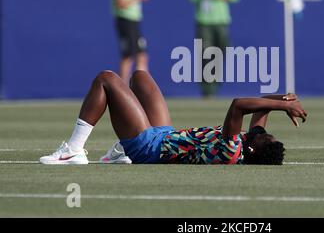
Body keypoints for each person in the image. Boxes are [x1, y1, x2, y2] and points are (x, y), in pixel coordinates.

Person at [39, 70, 307, 165]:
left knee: (106, 79)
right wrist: (286, 99)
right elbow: (262, 108)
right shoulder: (249, 142)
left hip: (148, 147)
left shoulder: (232, 149)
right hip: (165, 135)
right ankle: (120, 151)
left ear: (250, 149)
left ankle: (73, 151)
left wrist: (283, 107)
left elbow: (238, 105)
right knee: (140, 77)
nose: (262, 133)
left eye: (264, 138)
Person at [187, 0, 240, 97]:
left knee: (221, 52)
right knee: (205, 54)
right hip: (204, 21)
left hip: (221, 20)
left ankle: (214, 80)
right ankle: (207, 89)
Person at [111, 0, 155, 82]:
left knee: (142, 54)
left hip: (134, 21)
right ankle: (122, 89)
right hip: (125, 20)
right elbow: (120, 3)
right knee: (128, 56)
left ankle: (144, 89)